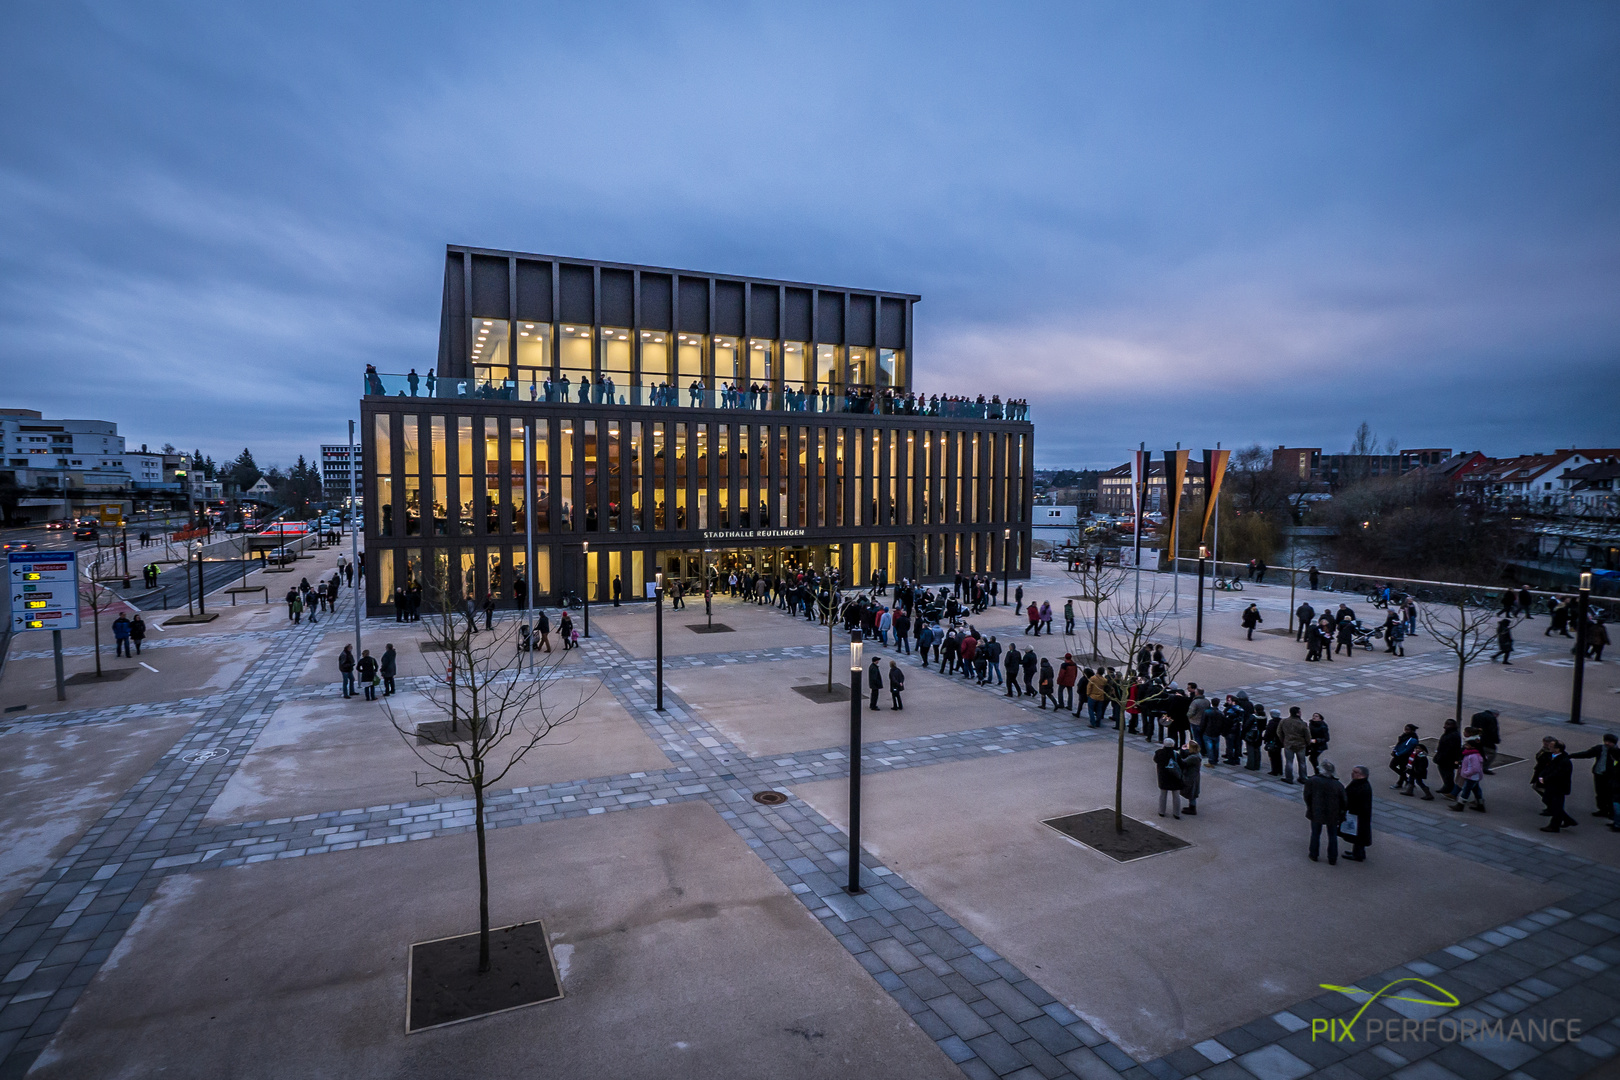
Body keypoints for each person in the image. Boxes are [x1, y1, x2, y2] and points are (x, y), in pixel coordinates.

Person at [1568, 733, 1620, 825]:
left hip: (1610, 776)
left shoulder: (1616, 752)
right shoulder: (1599, 748)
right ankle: (1602, 809)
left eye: (1610, 742)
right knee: (1599, 792)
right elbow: (1587, 754)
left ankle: (1611, 812)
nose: (1607, 743)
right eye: (1606, 741)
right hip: (1599, 773)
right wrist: (1572, 756)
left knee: (1609, 794)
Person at [1302, 761, 1347, 864]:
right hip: (1333, 812)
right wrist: (1342, 812)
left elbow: (1307, 796)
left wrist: (1310, 806)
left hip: (1316, 810)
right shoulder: (1338, 785)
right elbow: (1344, 801)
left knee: (1315, 834)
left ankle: (1313, 854)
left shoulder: (1312, 781)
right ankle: (1332, 858)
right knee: (1332, 835)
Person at [1538, 740, 1578, 832]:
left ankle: (1555, 826)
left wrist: (1545, 778)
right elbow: (1548, 767)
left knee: (1556, 805)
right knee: (1548, 800)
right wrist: (1542, 775)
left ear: (1557, 749)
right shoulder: (1554, 756)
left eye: (1551, 747)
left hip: (1558, 787)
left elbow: (1557, 773)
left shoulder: (1564, 761)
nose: (1549, 747)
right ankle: (1567, 820)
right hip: (1552, 785)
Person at [1343, 766, 1372, 861]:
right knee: (1357, 834)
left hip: (1358, 815)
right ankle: (1358, 852)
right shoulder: (1360, 783)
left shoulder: (1362, 787)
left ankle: (1358, 855)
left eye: (1355, 772)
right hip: (1358, 814)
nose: (1352, 773)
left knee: (1358, 835)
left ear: (1362, 775)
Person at [1451, 737, 1487, 812]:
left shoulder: (1473, 756)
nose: (1465, 746)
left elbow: (1475, 768)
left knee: (1466, 791)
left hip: (1471, 777)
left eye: (1467, 745)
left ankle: (1460, 806)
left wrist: (1465, 773)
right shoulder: (1471, 754)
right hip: (1474, 777)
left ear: (1472, 746)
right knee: (1476, 790)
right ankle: (1480, 805)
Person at [1278, 706, 1311, 783]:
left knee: (1289, 762)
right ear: (1297, 713)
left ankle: (1289, 778)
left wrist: (1283, 741)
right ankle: (1303, 778)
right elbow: (1308, 736)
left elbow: (1279, 732)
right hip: (1300, 745)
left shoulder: (1284, 721)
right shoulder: (1303, 724)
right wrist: (1308, 743)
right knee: (1302, 762)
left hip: (1288, 744)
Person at [1155, 738, 1185, 819]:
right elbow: (1182, 764)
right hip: (1174, 777)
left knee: (1163, 795)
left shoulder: (1159, 753)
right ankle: (1176, 813)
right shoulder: (1176, 754)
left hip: (1163, 777)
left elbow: (1155, 760)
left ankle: (1161, 811)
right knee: (1176, 796)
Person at [1434, 719, 1463, 796]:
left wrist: (1442, 756)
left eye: (1448, 724)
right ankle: (1447, 786)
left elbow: (1450, 749)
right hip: (1444, 758)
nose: (1445, 726)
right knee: (1445, 772)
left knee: (1447, 773)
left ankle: (1449, 787)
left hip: (1448, 759)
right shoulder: (1449, 733)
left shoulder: (1453, 735)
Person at [1180, 741, 1203, 816]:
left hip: (1191, 776)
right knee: (1192, 792)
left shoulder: (1193, 757)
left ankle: (1192, 808)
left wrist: (1182, 751)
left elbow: (1183, 762)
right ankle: (1191, 807)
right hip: (1193, 775)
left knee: (1191, 792)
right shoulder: (1196, 755)